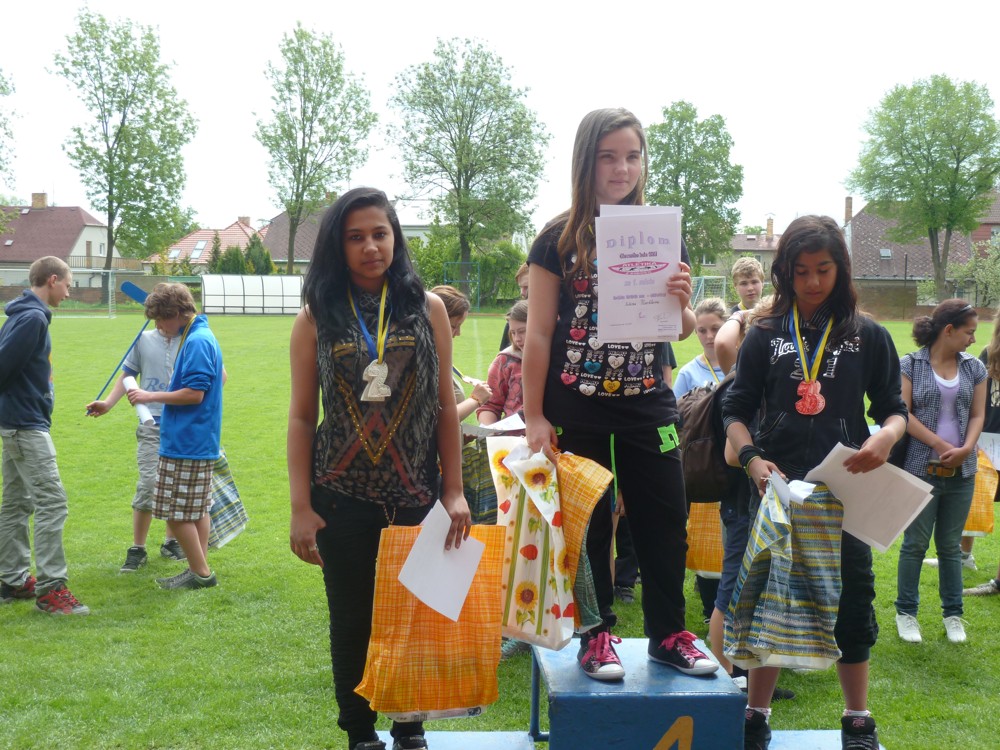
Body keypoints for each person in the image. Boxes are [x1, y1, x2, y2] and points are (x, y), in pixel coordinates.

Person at [522, 107, 716, 682]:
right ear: (586, 161)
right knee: (590, 525)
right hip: (576, 406)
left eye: (632, 156)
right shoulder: (557, 239)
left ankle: (669, 634)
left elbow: (678, 328)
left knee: (665, 519)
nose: (621, 168)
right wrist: (533, 415)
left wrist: (681, 300)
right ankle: (597, 634)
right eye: (608, 156)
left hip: (648, 402)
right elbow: (538, 332)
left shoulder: (660, 231)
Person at [287, 187, 471, 750]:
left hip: (414, 494)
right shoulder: (317, 315)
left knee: (412, 616)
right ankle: (360, 732)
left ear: (396, 237)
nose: (371, 247)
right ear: (337, 246)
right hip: (339, 496)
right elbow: (301, 417)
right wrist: (301, 507)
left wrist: (454, 490)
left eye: (380, 233)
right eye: (356, 237)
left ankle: (409, 726)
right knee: (352, 620)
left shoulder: (428, 309)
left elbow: (445, 406)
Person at [722, 215, 907, 750]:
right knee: (769, 599)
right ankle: (756, 715)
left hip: (843, 492)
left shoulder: (868, 334)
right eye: (800, 271)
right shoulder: (764, 333)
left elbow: (893, 408)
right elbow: (734, 410)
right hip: (776, 489)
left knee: (853, 600)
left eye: (823, 269)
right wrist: (753, 459)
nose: (812, 282)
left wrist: (886, 436)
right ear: (784, 272)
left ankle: (857, 719)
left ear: (841, 268)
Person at [0, 256, 89, 615]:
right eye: (68, 284)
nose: (69, 292)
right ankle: (51, 589)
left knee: (16, 502)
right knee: (52, 502)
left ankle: (12, 579)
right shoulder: (33, 318)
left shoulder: (23, 315)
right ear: (52, 280)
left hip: (16, 423)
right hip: (25, 426)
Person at [894, 299, 986, 645]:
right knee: (915, 544)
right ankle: (906, 613)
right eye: (969, 332)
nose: (973, 339)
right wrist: (940, 444)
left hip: (962, 474)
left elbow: (977, 414)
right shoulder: (910, 365)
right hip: (920, 469)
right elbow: (903, 413)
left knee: (949, 546)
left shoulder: (974, 367)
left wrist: (965, 449)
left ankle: (953, 615)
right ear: (949, 330)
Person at [126, 283, 224, 591]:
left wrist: (149, 395)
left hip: (187, 441)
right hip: (197, 438)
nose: (158, 327)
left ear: (176, 313)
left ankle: (201, 574)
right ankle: (198, 569)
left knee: (174, 511)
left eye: (160, 319)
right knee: (197, 510)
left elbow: (195, 394)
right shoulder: (199, 334)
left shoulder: (196, 341)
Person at [86, 319, 185, 572]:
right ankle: (138, 548)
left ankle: (171, 542)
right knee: (149, 483)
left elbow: (216, 377)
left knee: (175, 484)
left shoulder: (191, 339)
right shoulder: (143, 339)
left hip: (182, 425)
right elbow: (128, 374)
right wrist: (108, 403)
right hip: (150, 424)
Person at [964, 305, 1000, 598]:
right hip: (986, 440)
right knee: (970, 499)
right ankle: (964, 556)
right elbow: (976, 399)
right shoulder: (989, 354)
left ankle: (998, 583)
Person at [429, 284, 491, 421]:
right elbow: (434, 422)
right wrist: (475, 399)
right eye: (454, 326)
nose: (458, 333)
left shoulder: (434, 357)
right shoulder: (423, 362)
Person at [478, 299, 526, 425]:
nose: (517, 339)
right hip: (511, 436)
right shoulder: (505, 360)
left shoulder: (560, 360)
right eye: (513, 333)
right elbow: (490, 405)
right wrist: (488, 430)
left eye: (522, 331)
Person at [498, 262, 529, 352]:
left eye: (526, 287)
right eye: (521, 287)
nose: (522, 293)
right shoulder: (513, 321)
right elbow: (505, 357)